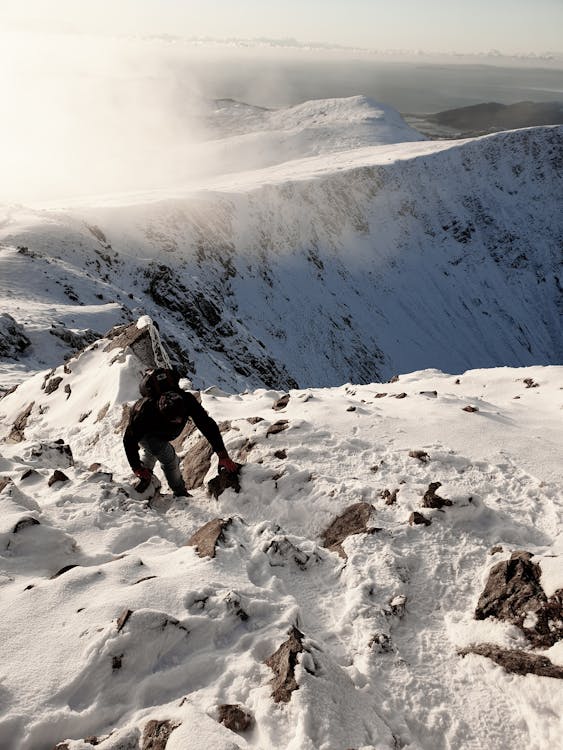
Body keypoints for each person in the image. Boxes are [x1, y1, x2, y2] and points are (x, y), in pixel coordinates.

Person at [123, 387, 237, 497]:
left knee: (152, 452)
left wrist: (223, 456)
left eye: (181, 417)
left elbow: (207, 425)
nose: (179, 421)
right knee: (170, 459)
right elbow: (129, 440)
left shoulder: (187, 401)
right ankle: (180, 493)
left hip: (161, 433)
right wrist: (136, 468)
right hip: (147, 435)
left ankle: (146, 474)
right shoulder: (144, 413)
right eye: (173, 419)